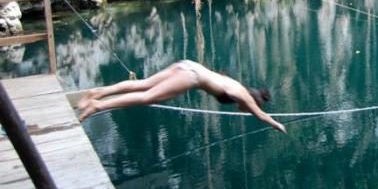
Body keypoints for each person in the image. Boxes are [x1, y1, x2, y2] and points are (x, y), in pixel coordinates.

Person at [77, 60, 287, 133]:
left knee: (143, 84)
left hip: (187, 65)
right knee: (147, 97)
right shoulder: (243, 95)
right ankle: (97, 106)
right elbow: (259, 114)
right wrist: (276, 124)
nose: (245, 110)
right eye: (250, 105)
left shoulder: (237, 85)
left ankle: (96, 92)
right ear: (254, 99)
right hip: (191, 76)